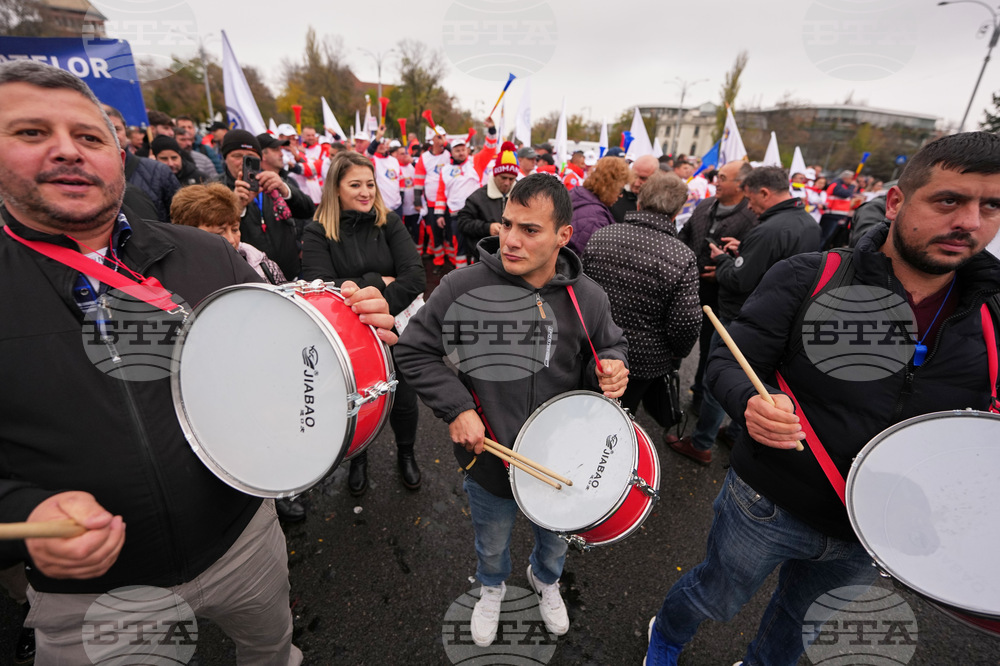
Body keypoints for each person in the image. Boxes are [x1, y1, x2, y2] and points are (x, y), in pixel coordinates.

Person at [0, 59, 397, 664]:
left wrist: (348, 321)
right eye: (31, 133)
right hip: (94, 594)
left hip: (243, 541)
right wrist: (23, 517)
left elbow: (280, 355)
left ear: (120, 156)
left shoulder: (207, 254)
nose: (67, 151)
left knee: (272, 652)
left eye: (89, 137)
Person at [645, 130, 1000, 666]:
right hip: (769, 502)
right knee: (715, 595)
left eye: (991, 206)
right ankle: (667, 636)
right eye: (948, 200)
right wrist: (751, 402)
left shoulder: (993, 315)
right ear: (897, 202)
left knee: (798, 626)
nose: (970, 222)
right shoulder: (810, 277)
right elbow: (727, 361)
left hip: (875, 533)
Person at [395, 173, 629, 648]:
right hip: (491, 458)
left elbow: (609, 347)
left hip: (564, 460)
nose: (511, 240)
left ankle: (545, 578)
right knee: (492, 538)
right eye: (507, 224)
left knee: (555, 537)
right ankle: (492, 586)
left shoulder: (589, 297)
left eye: (530, 229)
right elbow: (413, 351)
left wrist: (612, 368)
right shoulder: (461, 287)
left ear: (563, 235)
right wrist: (458, 408)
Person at [671, 166, 820, 466]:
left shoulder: (767, 230)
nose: (749, 206)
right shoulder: (808, 223)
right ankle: (734, 432)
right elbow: (776, 262)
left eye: (751, 199)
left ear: (764, 193)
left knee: (721, 379)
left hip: (743, 316)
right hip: (781, 319)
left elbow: (739, 279)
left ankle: (701, 443)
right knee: (759, 379)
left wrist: (723, 261)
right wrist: (746, 252)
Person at [301, 151, 427, 495]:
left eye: (370, 184)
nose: (366, 192)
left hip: (393, 328)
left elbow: (415, 277)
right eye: (355, 184)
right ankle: (358, 456)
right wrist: (378, 280)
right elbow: (320, 290)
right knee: (355, 401)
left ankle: (406, 452)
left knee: (404, 400)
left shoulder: (390, 222)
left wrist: (371, 296)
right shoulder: (317, 232)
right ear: (335, 189)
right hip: (349, 337)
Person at [583, 171, 701, 424]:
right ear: (676, 213)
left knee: (585, 405)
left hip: (595, 346)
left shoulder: (603, 235)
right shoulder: (682, 257)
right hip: (643, 359)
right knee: (621, 417)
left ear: (639, 202)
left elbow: (583, 289)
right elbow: (686, 322)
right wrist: (677, 353)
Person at [678, 161, 757, 418]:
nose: (716, 182)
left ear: (741, 185)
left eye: (723, 178)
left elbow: (750, 260)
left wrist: (724, 268)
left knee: (710, 350)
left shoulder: (753, 217)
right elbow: (685, 234)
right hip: (689, 288)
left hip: (719, 296)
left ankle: (701, 395)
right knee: (678, 339)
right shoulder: (705, 205)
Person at [220, 129, 312, 280]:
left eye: (250, 157)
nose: (243, 161)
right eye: (237, 156)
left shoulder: (273, 182)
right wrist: (236, 206)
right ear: (225, 159)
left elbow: (308, 210)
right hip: (249, 280)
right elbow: (214, 235)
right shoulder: (217, 190)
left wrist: (285, 190)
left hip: (290, 275)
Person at [104, 106, 179, 223]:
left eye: (116, 129)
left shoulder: (158, 171)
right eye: (104, 129)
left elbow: (180, 217)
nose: (112, 134)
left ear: (125, 131)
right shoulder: (81, 175)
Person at [456, 141, 519, 260]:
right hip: (484, 257)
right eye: (503, 178)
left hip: (514, 256)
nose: (507, 183)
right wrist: (487, 228)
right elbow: (462, 223)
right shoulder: (477, 197)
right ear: (495, 174)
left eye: (511, 179)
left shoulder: (522, 197)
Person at [567, 156, 630, 255]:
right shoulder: (596, 219)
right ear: (610, 186)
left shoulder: (579, 194)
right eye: (620, 189)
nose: (621, 195)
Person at [610, 154, 659, 223]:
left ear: (656, 178)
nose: (636, 183)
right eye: (634, 176)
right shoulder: (614, 199)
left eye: (643, 178)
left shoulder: (663, 204)